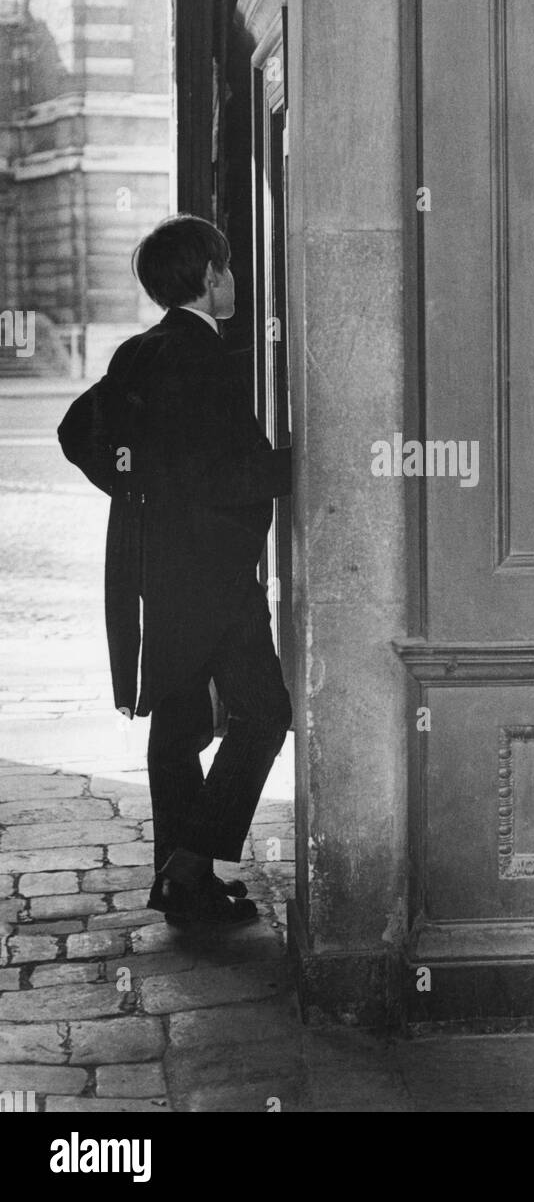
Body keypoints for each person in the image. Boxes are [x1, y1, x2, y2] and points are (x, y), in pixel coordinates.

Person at [58, 215, 292, 925]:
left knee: (181, 724)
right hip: (214, 572)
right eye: (225, 265)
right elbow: (221, 469)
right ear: (210, 276)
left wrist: (136, 483)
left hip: (160, 571)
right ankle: (191, 864)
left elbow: (76, 432)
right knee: (266, 714)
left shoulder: (141, 350)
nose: (233, 278)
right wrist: (290, 467)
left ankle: (182, 883)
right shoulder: (201, 356)